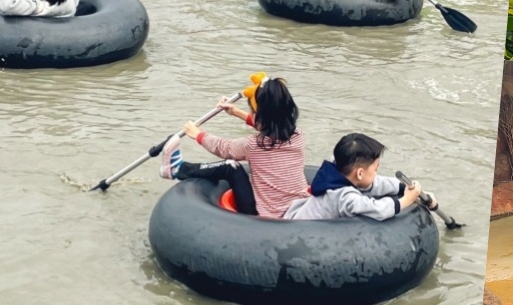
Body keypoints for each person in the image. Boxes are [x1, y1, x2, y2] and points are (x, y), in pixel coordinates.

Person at [160, 75, 310, 218]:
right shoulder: (298, 136)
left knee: (230, 166)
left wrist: (197, 134)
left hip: (266, 216)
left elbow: (223, 147)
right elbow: (273, 123)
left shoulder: (253, 145)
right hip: (298, 209)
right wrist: (235, 112)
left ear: (260, 115)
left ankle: (177, 169)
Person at [285, 133, 437, 220]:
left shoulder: (337, 169)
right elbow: (377, 209)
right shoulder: (344, 197)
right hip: (297, 230)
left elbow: (374, 184)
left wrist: (405, 188)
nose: (377, 173)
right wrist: (407, 200)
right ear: (359, 173)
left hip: (295, 213)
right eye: (376, 169)